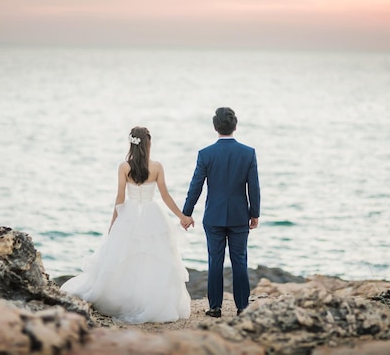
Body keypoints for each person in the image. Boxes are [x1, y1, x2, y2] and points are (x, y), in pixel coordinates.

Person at [61, 126, 192, 324]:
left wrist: (114, 222)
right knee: (154, 258)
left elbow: (120, 197)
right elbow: (165, 196)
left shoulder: (124, 167)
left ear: (131, 143)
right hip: (153, 215)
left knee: (124, 257)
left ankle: (125, 298)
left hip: (129, 214)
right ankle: (151, 299)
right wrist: (182, 216)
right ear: (148, 144)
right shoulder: (157, 166)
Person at [182, 107, 260, 317]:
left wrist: (186, 213)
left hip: (214, 217)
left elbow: (195, 186)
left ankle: (215, 307)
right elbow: (253, 187)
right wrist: (255, 213)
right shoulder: (248, 153)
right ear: (235, 126)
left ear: (215, 127)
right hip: (239, 215)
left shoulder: (206, 154)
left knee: (214, 260)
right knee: (240, 260)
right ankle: (242, 307)